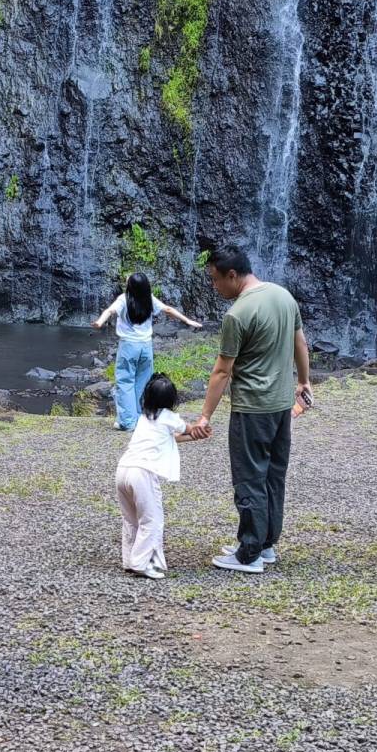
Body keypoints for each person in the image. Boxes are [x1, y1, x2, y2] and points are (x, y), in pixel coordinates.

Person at [188, 246, 310, 574]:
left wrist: (205, 416)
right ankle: (266, 544)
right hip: (281, 405)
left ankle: (250, 553)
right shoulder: (284, 296)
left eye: (215, 280)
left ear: (232, 275)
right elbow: (300, 342)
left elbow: (222, 372)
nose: (214, 287)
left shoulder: (237, 315)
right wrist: (304, 382)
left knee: (249, 478)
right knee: (273, 474)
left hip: (251, 407)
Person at [115, 374, 201, 579]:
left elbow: (168, 439)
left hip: (123, 470)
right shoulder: (169, 417)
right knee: (152, 519)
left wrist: (193, 437)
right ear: (172, 400)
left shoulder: (144, 418)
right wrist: (199, 430)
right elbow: (189, 429)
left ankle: (130, 559)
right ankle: (141, 563)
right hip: (142, 474)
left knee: (131, 519)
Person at [92, 272, 203, 431]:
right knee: (143, 382)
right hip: (146, 347)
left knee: (125, 382)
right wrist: (187, 320)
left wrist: (99, 322)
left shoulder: (123, 299)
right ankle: (140, 417)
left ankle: (128, 422)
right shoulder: (148, 297)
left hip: (129, 346)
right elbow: (168, 309)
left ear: (130, 286)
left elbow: (110, 311)